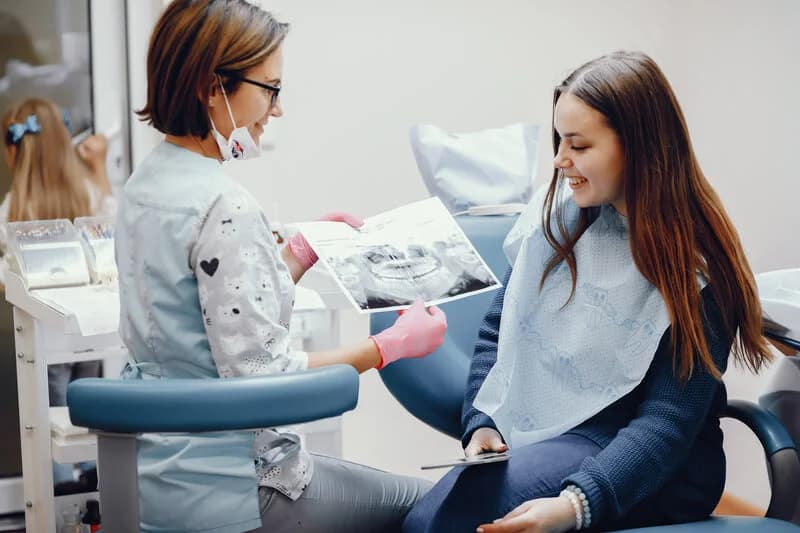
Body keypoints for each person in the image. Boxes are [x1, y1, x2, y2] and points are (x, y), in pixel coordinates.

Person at [402, 51, 773, 533]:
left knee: (444, 523)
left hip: (659, 463)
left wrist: (577, 504)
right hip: (559, 436)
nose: (560, 160)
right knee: (430, 521)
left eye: (578, 145)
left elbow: (667, 420)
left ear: (638, 147)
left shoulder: (698, 267)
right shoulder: (555, 219)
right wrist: (483, 421)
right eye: (559, 140)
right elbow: (498, 333)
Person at [115, 2, 447, 533]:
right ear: (212, 86)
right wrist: (389, 347)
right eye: (270, 90)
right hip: (240, 486)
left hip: (159, 476)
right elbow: (268, 380)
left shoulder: (143, 186)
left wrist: (295, 255)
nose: (277, 109)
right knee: (440, 503)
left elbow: (212, 321)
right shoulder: (225, 204)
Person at [1, 97, 114, 406]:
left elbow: (6, 274)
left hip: (45, 336)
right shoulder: (88, 193)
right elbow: (109, 230)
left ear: (14, 152)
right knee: (88, 414)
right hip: (88, 332)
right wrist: (99, 166)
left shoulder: (14, 209)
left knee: (53, 418)